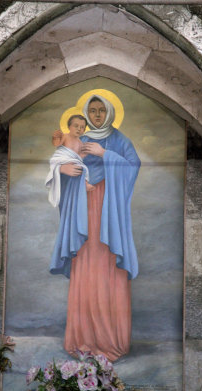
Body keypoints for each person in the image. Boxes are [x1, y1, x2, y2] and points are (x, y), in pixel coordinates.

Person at [48, 94, 141, 361]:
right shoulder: (79, 139)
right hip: (84, 207)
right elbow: (61, 161)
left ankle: (111, 339)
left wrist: (106, 154)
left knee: (108, 267)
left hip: (110, 211)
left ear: (110, 112)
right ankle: (83, 338)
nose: (97, 115)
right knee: (86, 266)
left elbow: (134, 167)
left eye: (101, 110)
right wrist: (66, 174)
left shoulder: (120, 141)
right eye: (93, 110)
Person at [45, 115, 95, 207]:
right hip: (63, 158)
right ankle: (84, 183)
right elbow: (57, 144)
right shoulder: (65, 136)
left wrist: (84, 154)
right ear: (69, 127)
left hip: (73, 161)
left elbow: (79, 156)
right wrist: (55, 137)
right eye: (76, 126)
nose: (79, 129)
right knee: (76, 165)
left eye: (82, 127)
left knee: (83, 168)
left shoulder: (80, 142)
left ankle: (85, 183)